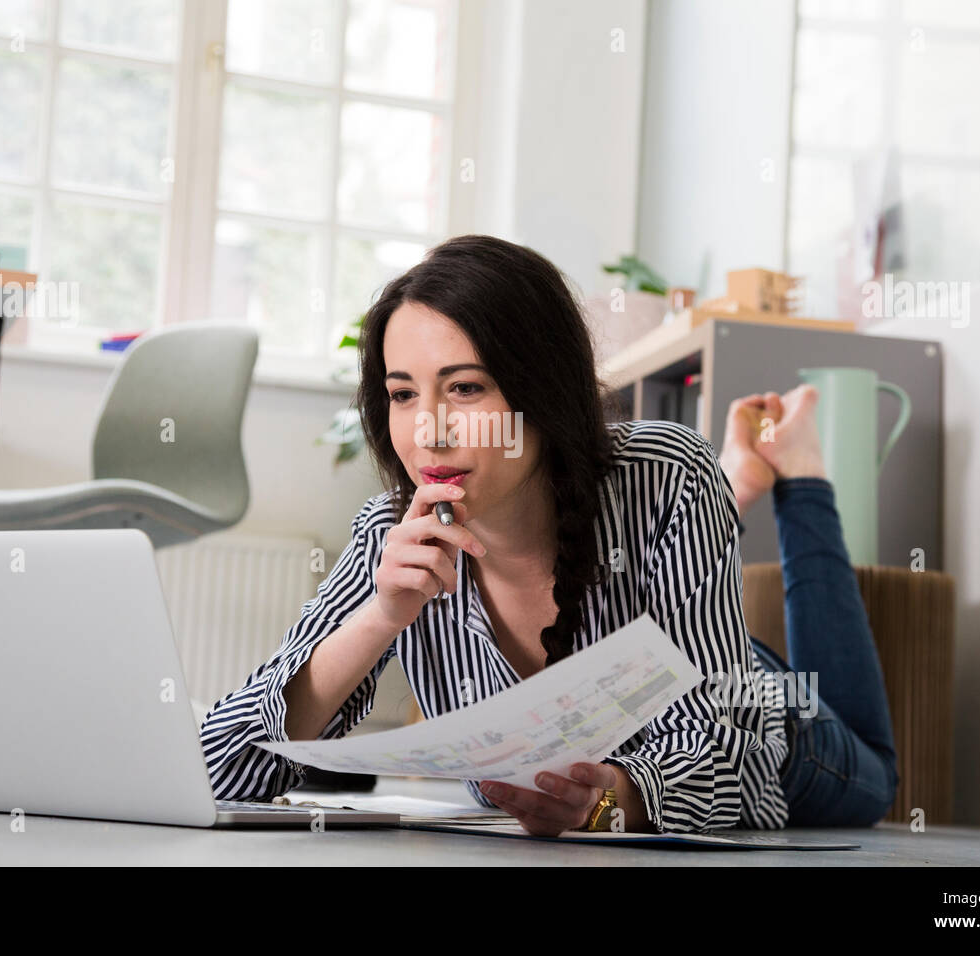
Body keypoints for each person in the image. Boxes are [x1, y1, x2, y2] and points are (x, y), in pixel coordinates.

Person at [200, 234, 898, 835]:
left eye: (466, 388)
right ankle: (739, 485)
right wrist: (381, 616)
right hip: (674, 638)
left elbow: (720, 742)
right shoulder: (391, 531)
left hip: (759, 718)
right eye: (404, 394)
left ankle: (800, 474)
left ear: (541, 391)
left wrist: (613, 802)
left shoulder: (667, 471)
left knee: (879, 773)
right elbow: (219, 764)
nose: (429, 429)